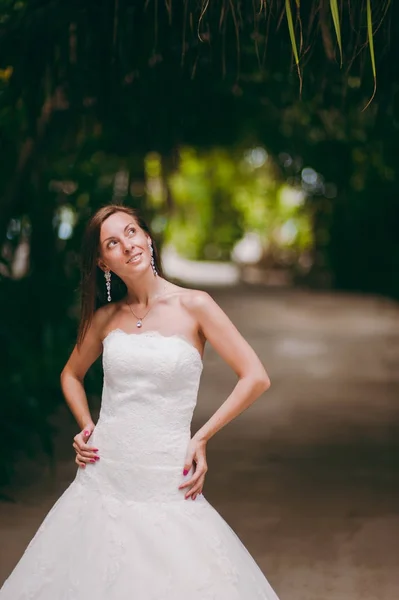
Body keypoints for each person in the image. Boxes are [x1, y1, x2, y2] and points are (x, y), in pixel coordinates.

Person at [0, 204, 280, 599]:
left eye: (132, 232)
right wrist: (86, 427)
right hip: (104, 473)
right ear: (103, 262)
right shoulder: (106, 318)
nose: (127, 245)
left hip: (166, 471)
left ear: (147, 237)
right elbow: (70, 375)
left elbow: (256, 377)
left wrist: (201, 437)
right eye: (112, 242)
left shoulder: (195, 305)